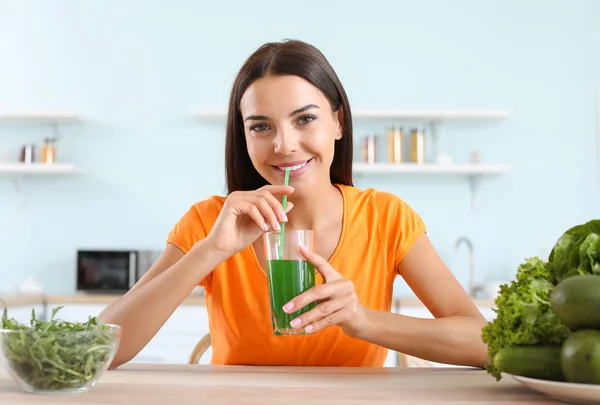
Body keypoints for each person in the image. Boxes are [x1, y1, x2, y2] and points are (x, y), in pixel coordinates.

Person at [99, 39, 489, 369]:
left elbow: (484, 343)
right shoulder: (210, 222)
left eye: (304, 119)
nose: (283, 145)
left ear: (338, 123)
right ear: (244, 136)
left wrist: (364, 320)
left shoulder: (385, 218)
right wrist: (210, 251)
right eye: (261, 126)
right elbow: (101, 349)